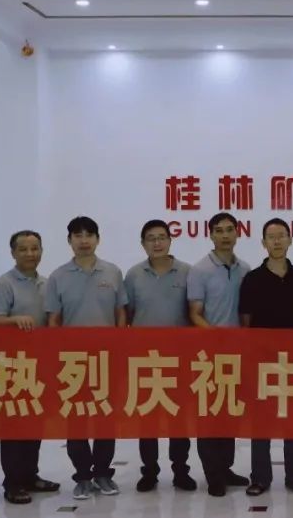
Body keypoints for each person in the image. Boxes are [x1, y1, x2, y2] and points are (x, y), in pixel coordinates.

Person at [46, 216, 128, 500]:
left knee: (106, 419)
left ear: (97, 239)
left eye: (89, 235)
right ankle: (82, 476)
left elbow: (120, 314)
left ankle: (103, 473)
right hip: (72, 362)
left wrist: (120, 348)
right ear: (69, 240)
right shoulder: (58, 276)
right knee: (76, 421)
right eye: (78, 235)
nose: (84, 241)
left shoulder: (113, 272)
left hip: (107, 360)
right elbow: (53, 320)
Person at [238, 218, 293, 495]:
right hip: (262, 358)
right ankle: (260, 477)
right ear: (263, 243)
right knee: (262, 419)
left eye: (282, 235)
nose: (277, 241)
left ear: (290, 239)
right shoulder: (253, 279)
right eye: (272, 237)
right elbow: (245, 321)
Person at [124, 220, 197, 493]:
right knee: (148, 418)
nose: (157, 243)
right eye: (151, 238)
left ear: (170, 240)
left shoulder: (187, 272)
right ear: (143, 243)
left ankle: (181, 471)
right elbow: (128, 315)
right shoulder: (133, 275)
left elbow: (193, 313)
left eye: (162, 237)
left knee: (179, 418)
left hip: (179, 358)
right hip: (145, 360)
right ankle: (150, 472)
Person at [0, 231, 61, 504]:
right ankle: (13, 483)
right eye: (23, 249)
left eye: (35, 248)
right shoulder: (3, 284)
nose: (30, 254)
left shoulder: (47, 283)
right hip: (12, 365)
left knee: (34, 424)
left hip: (40, 364)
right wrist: (15, 319)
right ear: (13, 253)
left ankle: (30, 476)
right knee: (14, 426)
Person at [188, 212, 252, 498]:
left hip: (237, 354)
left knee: (229, 413)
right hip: (208, 354)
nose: (225, 235)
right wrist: (217, 337)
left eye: (229, 230)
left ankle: (226, 468)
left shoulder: (245, 269)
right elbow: (195, 314)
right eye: (219, 230)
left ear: (237, 233)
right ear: (211, 235)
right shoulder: (200, 270)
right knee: (209, 414)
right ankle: (213, 475)